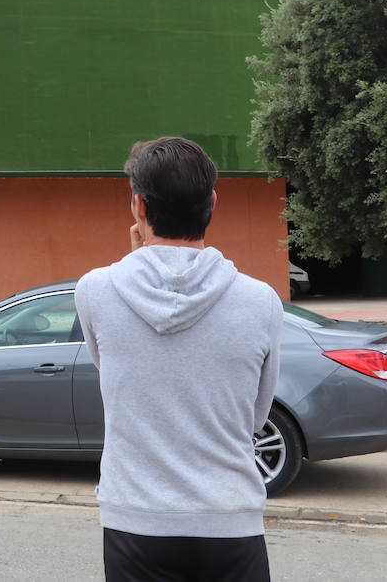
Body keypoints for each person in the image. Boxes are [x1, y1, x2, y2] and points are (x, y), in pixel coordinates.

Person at [74, 137, 283, 582]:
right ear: (212, 202)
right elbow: (255, 416)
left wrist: (140, 263)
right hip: (231, 521)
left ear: (138, 208)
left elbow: (116, 375)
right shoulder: (261, 300)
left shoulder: (94, 291)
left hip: (136, 520)